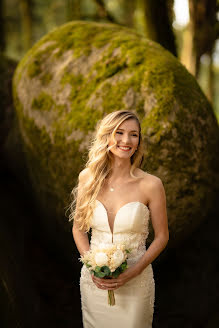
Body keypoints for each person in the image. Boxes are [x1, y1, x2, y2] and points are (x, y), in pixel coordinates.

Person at [70, 110, 169, 328]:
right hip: (94, 283)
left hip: (136, 282)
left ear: (139, 140)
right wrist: (92, 265)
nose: (126, 141)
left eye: (134, 134)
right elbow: (78, 229)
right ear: (107, 136)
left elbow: (162, 236)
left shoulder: (151, 185)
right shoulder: (88, 178)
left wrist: (134, 271)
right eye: (119, 133)